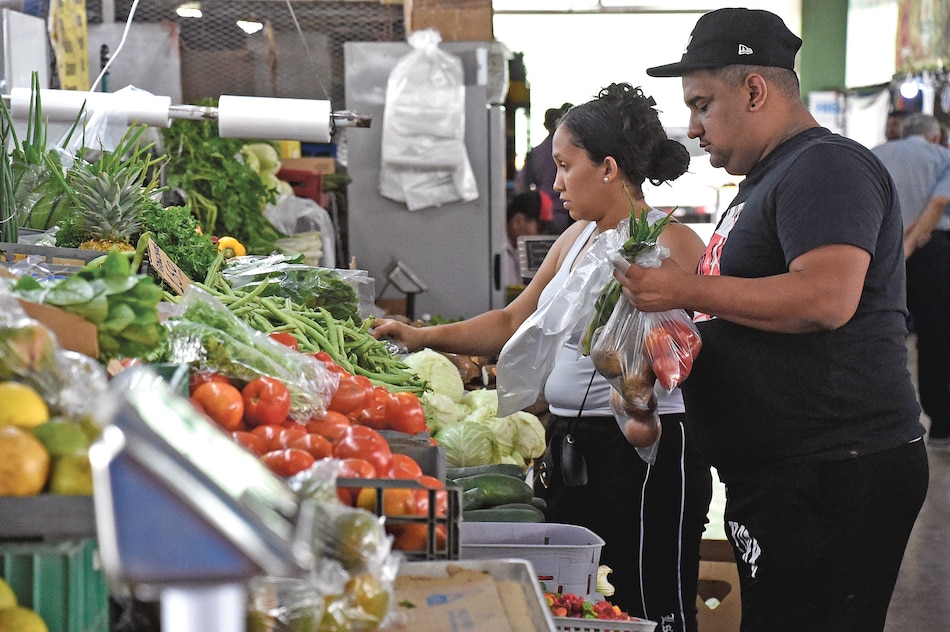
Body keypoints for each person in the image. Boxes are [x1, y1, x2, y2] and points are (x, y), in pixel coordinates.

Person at [613, 8, 929, 632]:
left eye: (702, 105)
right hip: (784, 473)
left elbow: (825, 298)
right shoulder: (768, 178)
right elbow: (748, 305)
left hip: (832, 472)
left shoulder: (827, 167)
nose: (694, 128)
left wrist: (684, 287)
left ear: (754, 90)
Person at [376, 83, 713, 631]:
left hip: (643, 454)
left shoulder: (674, 243)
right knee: (584, 602)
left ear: (608, 168)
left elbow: (696, 351)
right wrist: (423, 338)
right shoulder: (575, 239)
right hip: (571, 443)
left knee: (647, 601)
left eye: (564, 166)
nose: (554, 184)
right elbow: (512, 322)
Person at [872, 113, 950, 446]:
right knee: (935, 338)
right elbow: (938, 203)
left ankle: (876, 422)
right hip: (932, 254)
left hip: (877, 252)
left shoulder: (875, 154)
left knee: (878, 334)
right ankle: (941, 424)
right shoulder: (943, 157)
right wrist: (912, 241)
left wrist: (894, 246)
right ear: (935, 136)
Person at [521, 103, 573, 234]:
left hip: (543, 211)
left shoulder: (535, 153)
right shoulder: (572, 151)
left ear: (545, 125)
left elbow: (522, 184)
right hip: (568, 209)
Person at [503, 190, 543, 287]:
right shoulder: (501, 252)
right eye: (540, 227)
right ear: (518, 221)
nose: (539, 234)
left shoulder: (516, 251)